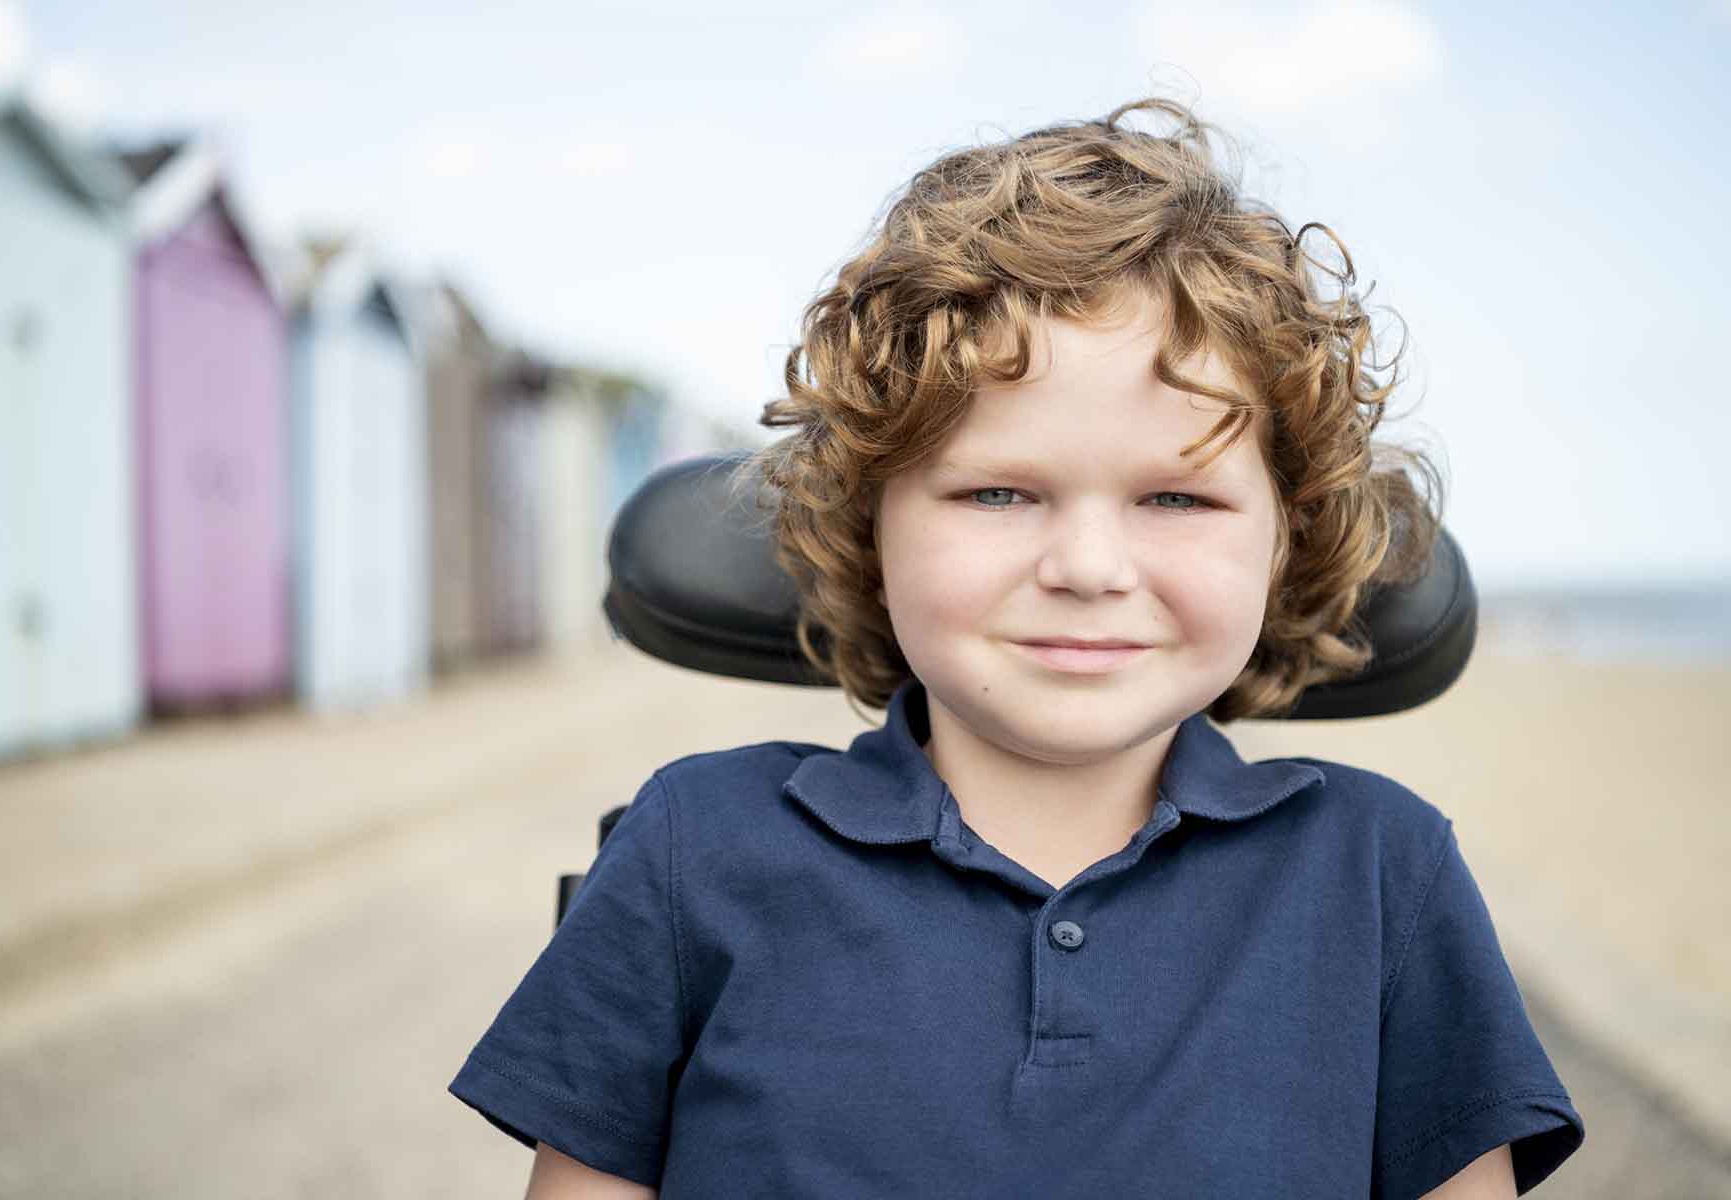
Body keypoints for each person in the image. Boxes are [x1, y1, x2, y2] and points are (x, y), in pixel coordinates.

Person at [448, 97, 1585, 1198]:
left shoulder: (1381, 873)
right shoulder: (697, 848)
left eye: (1178, 501)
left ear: (1288, 540)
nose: (1088, 567)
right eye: (997, 491)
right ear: (871, 526)